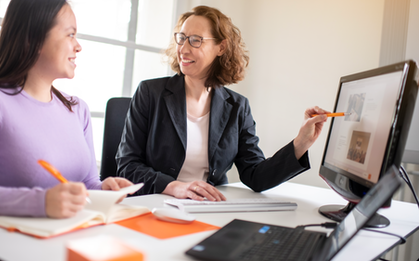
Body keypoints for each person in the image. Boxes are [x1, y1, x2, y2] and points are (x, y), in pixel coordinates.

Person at [116, 5, 330, 201]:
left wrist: (300, 144)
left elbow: (255, 176)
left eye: (195, 40)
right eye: (182, 38)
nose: (184, 48)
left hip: (208, 206)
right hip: (154, 201)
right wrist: (174, 187)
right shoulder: (149, 93)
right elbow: (127, 165)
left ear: (221, 47)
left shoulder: (238, 107)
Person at [0, 0, 133, 218]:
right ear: (34, 39)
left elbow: (87, 184)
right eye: (70, 34)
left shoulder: (78, 109)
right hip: (4, 245)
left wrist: (104, 190)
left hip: (71, 239)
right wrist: (40, 202)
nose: (78, 46)